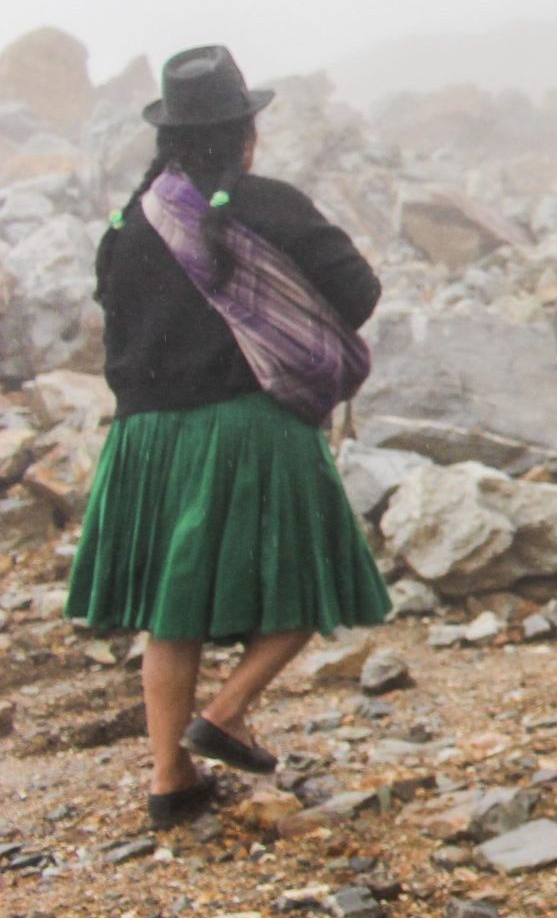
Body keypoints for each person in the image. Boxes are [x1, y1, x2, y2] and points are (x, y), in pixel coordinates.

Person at [65, 45, 390, 828]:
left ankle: (170, 779)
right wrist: (279, 313)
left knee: (171, 616)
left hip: (144, 442)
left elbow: (117, 331)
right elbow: (361, 291)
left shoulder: (127, 225)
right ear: (246, 130)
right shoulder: (268, 204)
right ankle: (227, 711)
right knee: (311, 581)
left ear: (168, 138)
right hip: (251, 426)